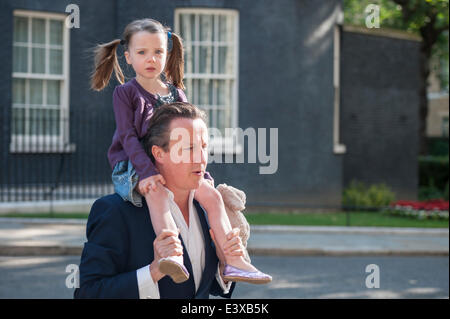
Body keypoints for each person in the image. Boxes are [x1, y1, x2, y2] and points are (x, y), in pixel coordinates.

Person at [90, 18, 271, 284]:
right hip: (133, 165)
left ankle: (233, 260)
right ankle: (172, 255)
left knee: (212, 197)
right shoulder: (125, 93)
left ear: (168, 53)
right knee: (158, 193)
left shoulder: (177, 93)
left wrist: (201, 175)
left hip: (170, 163)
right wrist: (147, 172)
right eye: (142, 52)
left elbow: (190, 139)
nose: (151, 59)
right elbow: (128, 137)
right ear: (128, 57)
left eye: (158, 52)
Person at [74, 102, 260, 298]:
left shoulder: (208, 210)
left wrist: (224, 265)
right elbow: (87, 293)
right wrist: (154, 271)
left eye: (203, 146)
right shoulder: (115, 212)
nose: (200, 158)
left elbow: (204, 286)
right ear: (158, 153)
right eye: (188, 148)